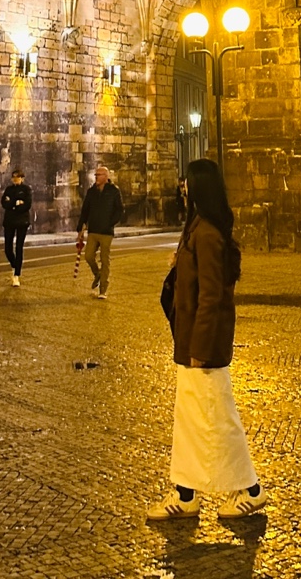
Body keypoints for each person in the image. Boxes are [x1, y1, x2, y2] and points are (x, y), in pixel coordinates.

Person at [147, 158, 265, 521]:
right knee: (190, 419)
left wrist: (199, 349)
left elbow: (212, 297)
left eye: (188, 182)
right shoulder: (198, 227)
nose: (183, 188)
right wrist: (179, 264)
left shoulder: (209, 233)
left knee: (218, 418)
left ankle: (251, 490)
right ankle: (185, 494)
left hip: (203, 348)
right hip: (190, 343)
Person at [76, 164, 125, 299]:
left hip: (106, 232)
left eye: (99, 175)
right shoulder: (92, 192)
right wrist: (80, 227)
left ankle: (103, 289)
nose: (96, 177)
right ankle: (97, 274)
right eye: (96, 175)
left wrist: (110, 223)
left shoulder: (114, 191)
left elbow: (120, 210)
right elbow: (85, 210)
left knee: (105, 260)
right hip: (93, 230)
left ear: (106, 176)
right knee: (89, 256)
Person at [1, 168, 32, 287]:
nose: (15, 179)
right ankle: (15, 265)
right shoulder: (8, 189)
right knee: (7, 248)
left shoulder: (26, 190)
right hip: (9, 221)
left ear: (22, 178)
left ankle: (16, 274)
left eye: (17, 177)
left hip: (21, 222)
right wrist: (16, 203)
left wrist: (12, 204)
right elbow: (4, 203)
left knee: (19, 247)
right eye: (13, 177)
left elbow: (27, 205)